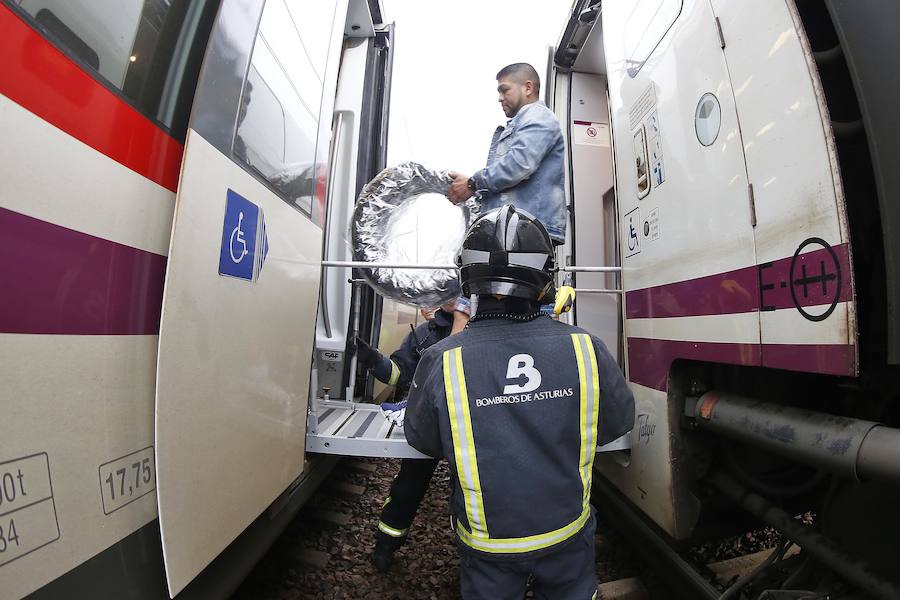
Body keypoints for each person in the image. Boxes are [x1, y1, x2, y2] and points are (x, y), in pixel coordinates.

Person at [404, 205, 635, 599]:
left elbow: (424, 440)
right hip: (568, 534)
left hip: (488, 545)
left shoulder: (443, 358)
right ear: (546, 277)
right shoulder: (586, 348)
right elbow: (616, 423)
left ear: (468, 276)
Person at [355, 299, 470, 572]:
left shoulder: (482, 329)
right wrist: (372, 358)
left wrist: (461, 323)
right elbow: (398, 375)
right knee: (408, 487)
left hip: (467, 426)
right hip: (426, 423)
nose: (450, 295)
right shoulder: (425, 333)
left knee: (467, 491)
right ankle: (385, 545)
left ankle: (472, 557)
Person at [447, 63, 567, 245]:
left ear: (528, 87)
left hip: (526, 230)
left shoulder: (538, 116)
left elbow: (519, 165)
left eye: (505, 90)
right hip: (515, 229)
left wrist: (472, 183)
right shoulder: (523, 121)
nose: (500, 98)